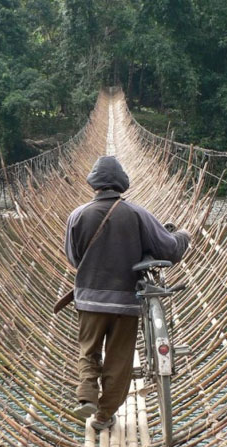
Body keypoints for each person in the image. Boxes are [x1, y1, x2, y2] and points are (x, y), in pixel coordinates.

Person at [65, 155, 191, 430]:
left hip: (89, 300)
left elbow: (74, 259)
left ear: (93, 184)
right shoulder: (137, 214)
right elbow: (169, 249)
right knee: (119, 360)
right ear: (122, 184)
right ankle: (103, 416)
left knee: (89, 351)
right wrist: (183, 236)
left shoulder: (78, 215)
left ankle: (87, 394)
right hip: (125, 302)